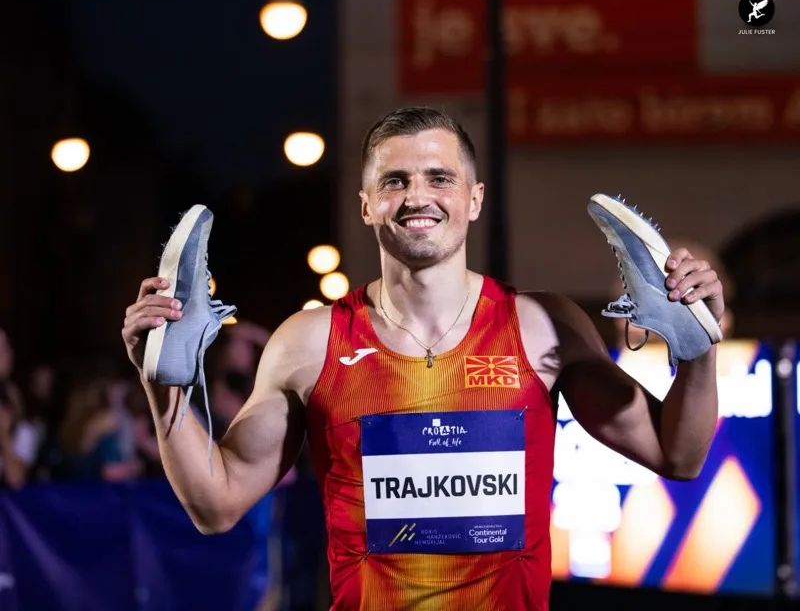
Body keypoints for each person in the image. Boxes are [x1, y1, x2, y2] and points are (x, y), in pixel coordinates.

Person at [121, 107, 726, 610]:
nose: (418, 197)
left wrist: (697, 353)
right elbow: (214, 506)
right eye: (394, 181)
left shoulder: (543, 325)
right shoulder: (308, 343)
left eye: (439, 178)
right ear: (366, 205)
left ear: (474, 199)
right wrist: (162, 386)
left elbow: (679, 454)